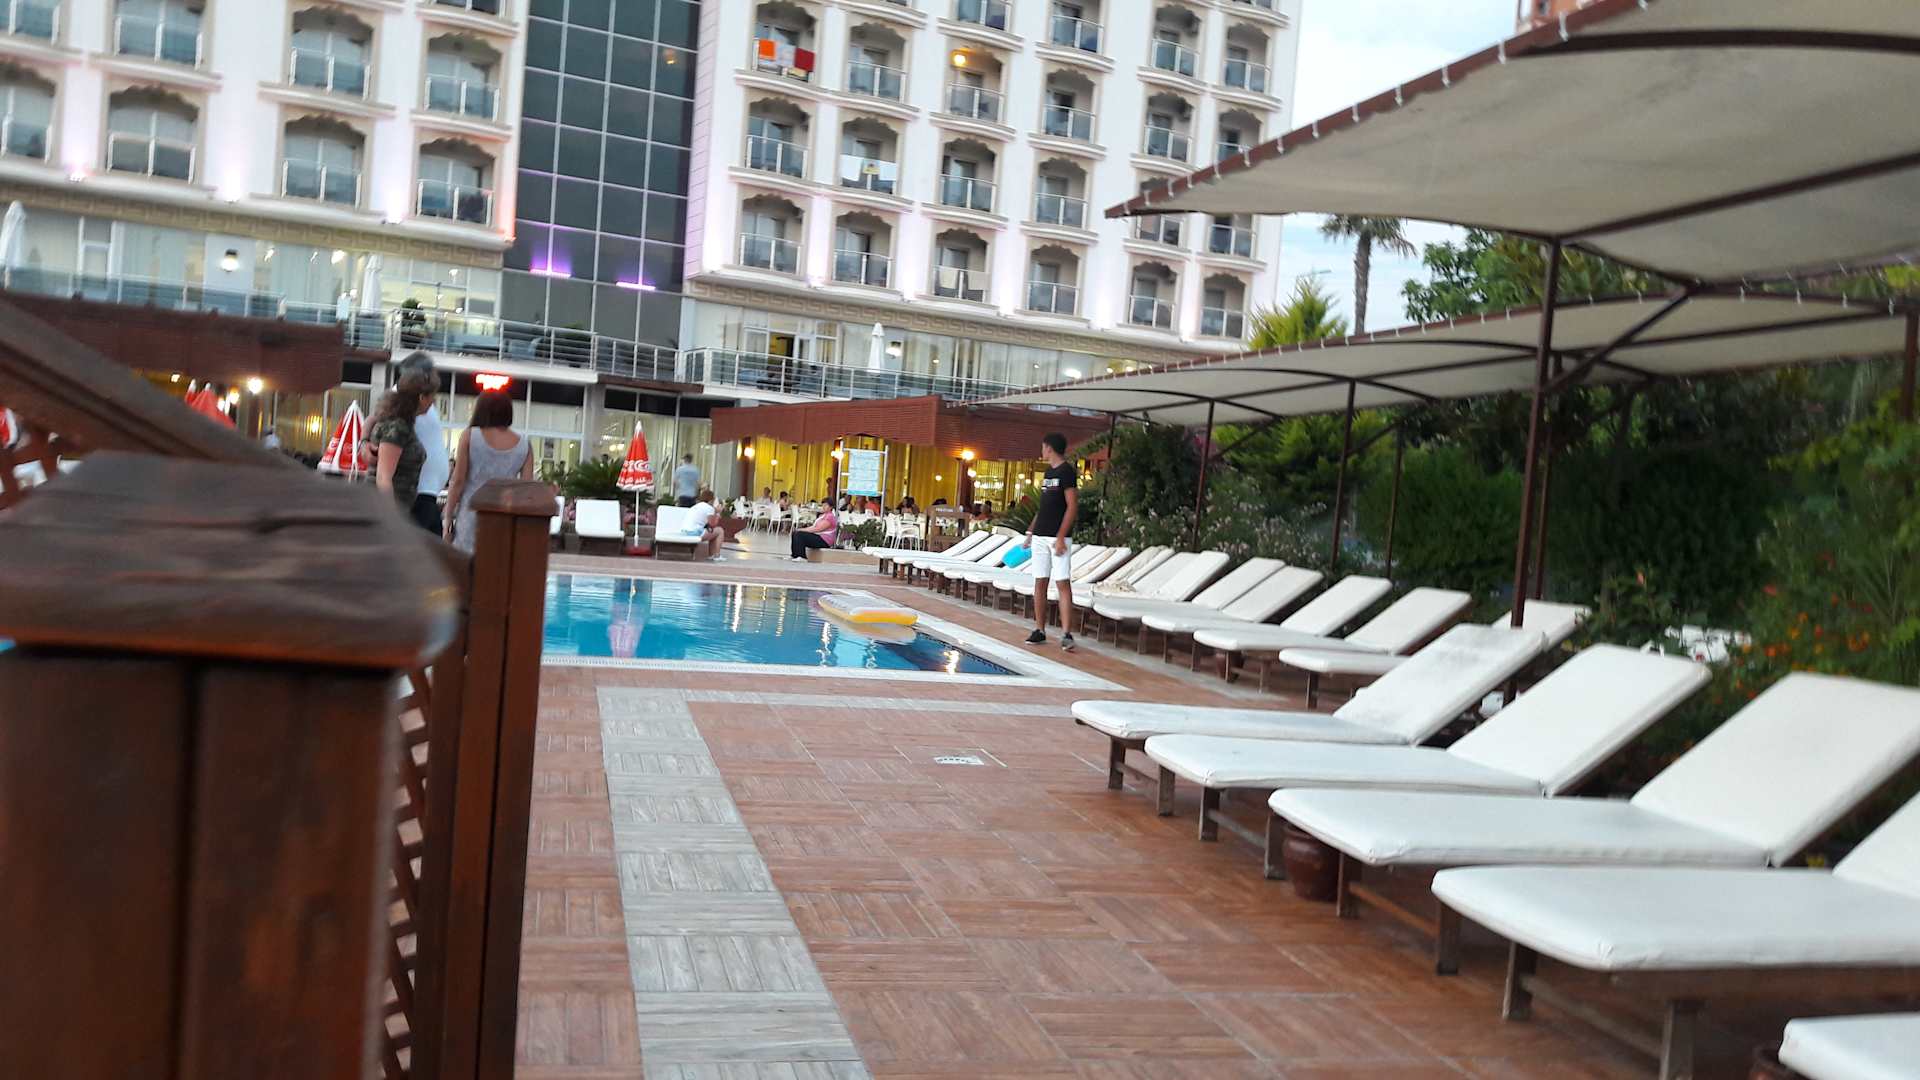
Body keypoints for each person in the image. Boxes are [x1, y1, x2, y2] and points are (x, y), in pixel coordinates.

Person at [442, 389, 533, 553]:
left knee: (465, 563)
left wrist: (448, 516)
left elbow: (458, 481)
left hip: (471, 515)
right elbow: (526, 490)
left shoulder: (470, 436)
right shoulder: (525, 445)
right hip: (504, 518)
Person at [1024, 432, 1078, 652]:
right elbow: (1044, 507)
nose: (1042, 451)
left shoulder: (1067, 472)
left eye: (1043, 447)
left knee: (1062, 582)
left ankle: (1066, 633)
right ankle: (1040, 629)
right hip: (1040, 535)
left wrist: (1061, 536)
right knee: (1040, 581)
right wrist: (1031, 531)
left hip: (1058, 537)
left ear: (1049, 448)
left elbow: (1072, 506)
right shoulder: (1048, 473)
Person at [370, 369, 437, 522]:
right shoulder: (398, 427)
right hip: (386, 511)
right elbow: (383, 478)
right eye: (432, 396)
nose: (433, 401)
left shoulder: (400, 423)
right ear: (421, 397)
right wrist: (392, 519)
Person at [394, 352, 449, 534]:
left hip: (427, 493)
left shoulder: (425, 405)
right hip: (417, 493)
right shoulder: (399, 401)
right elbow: (376, 420)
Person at [790, 489, 839, 560]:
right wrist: (801, 529)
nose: (823, 507)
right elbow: (813, 527)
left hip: (824, 540)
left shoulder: (830, 517)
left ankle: (802, 556)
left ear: (831, 507)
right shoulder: (823, 515)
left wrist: (802, 530)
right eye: (823, 505)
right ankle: (795, 555)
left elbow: (818, 529)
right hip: (819, 537)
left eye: (826, 505)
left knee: (799, 535)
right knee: (795, 533)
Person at [683, 487, 726, 560]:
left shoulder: (697, 506)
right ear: (711, 500)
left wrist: (715, 511)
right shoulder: (709, 508)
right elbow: (713, 524)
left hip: (686, 531)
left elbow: (710, 526)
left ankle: (711, 555)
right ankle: (717, 556)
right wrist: (718, 513)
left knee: (713, 531)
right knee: (720, 531)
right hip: (694, 532)